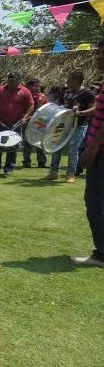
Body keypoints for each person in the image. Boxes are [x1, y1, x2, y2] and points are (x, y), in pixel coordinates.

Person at [73, 39, 104, 266]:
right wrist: (83, 112)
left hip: (101, 153)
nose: (97, 58)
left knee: (95, 200)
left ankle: (101, 254)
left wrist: (92, 150)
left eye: (101, 55)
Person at [42, 69, 95, 183]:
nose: (67, 80)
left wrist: (81, 113)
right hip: (63, 124)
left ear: (77, 81)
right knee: (56, 147)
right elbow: (58, 103)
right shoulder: (66, 92)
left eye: (70, 78)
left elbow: (94, 108)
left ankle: (71, 174)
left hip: (79, 125)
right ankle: (53, 172)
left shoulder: (87, 93)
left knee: (73, 150)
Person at [0, 72, 34, 174]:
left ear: (18, 80)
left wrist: (25, 117)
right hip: (0, 123)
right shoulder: (0, 89)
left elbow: (31, 105)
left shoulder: (25, 92)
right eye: (9, 80)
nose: (11, 82)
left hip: (15, 124)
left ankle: (9, 168)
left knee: (12, 146)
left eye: (13, 80)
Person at [22, 79, 48, 169]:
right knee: (27, 142)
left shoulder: (43, 96)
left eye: (39, 86)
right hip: (28, 122)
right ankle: (26, 162)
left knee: (41, 142)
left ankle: (42, 162)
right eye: (36, 86)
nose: (38, 88)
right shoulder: (25, 96)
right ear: (29, 87)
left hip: (40, 122)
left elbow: (47, 108)